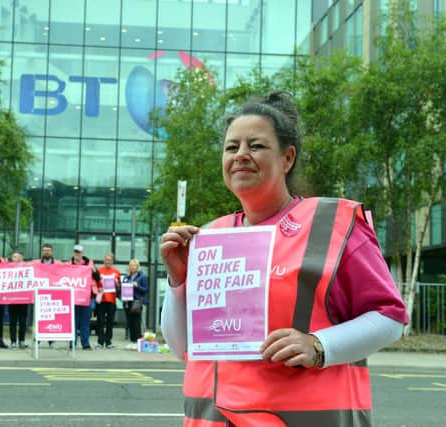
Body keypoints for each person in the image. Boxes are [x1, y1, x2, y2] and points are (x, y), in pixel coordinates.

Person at [160, 91, 408, 427]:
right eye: (232, 147)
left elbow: (390, 317)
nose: (241, 155)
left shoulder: (332, 225)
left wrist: (319, 345)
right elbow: (183, 349)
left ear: (287, 158)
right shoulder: (210, 236)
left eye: (256, 146)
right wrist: (177, 282)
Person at [67, 244, 98, 351]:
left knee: (85, 322)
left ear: (82, 253)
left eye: (79, 252)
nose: (77, 254)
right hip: (73, 298)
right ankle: (72, 344)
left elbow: (97, 278)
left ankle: (85, 344)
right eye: (75, 252)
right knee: (73, 322)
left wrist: (94, 270)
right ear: (73, 253)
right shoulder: (68, 264)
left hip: (87, 297)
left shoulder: (90, 264)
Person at [95, 253, 121, 349]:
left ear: (112, 262)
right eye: (106, 260)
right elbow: (94, 284)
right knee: (100, 321)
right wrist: (98, 289)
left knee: (110, 321)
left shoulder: (116, 272)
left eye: (110, 260)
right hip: (101, 299)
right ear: (104, 261)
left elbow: (119, 288)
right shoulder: (99, 271)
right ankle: (100, 341)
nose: (108, 262)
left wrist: (117, 284)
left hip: (112, 300)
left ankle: (108, 341)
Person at [122, 258, 148, 350]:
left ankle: (137, 341)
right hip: (127, 303)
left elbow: (145, 289)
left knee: (136, 322)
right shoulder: (126, 277)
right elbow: (123, 289)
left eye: (133, 265)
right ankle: (132, 340)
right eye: (130, 265)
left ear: (137, 267)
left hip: (136, 302)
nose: (131, 267)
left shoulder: (142, 277)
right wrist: (123, 297)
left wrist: (137, 286)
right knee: (130, 323)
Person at [39, 243, 59, 348]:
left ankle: (51, 341)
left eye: (48, 250)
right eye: (45, 250)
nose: (47, 252)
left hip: (52, 293)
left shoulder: (58, 264)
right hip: (40, 294)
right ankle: (37, 340)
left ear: (51, 252)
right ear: (42, 251)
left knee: (51, 318)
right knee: (39, 318)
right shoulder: (37, 263)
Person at [8, 250, 28, 349]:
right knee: (12, 321)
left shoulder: (27, 268)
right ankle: (13, 341)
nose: (14, 259)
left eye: (16, 257)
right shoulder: (8, 268)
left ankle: (21, 340)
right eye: (13, 257)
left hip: (24, 299)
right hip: (11, 298)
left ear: (21, 258)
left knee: (23, 321)